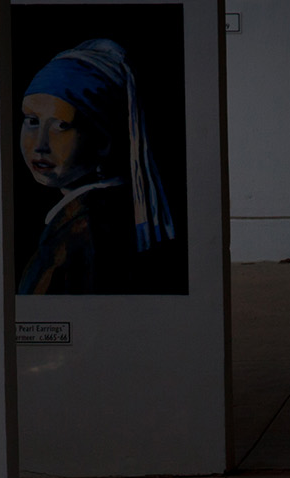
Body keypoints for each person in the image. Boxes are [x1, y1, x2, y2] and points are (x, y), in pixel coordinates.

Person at [15, 38, 177, 294]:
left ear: (103, 140)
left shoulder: (83, 231)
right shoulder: (96, 214)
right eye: (32, 121)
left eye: (61, 125)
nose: (40, 145)